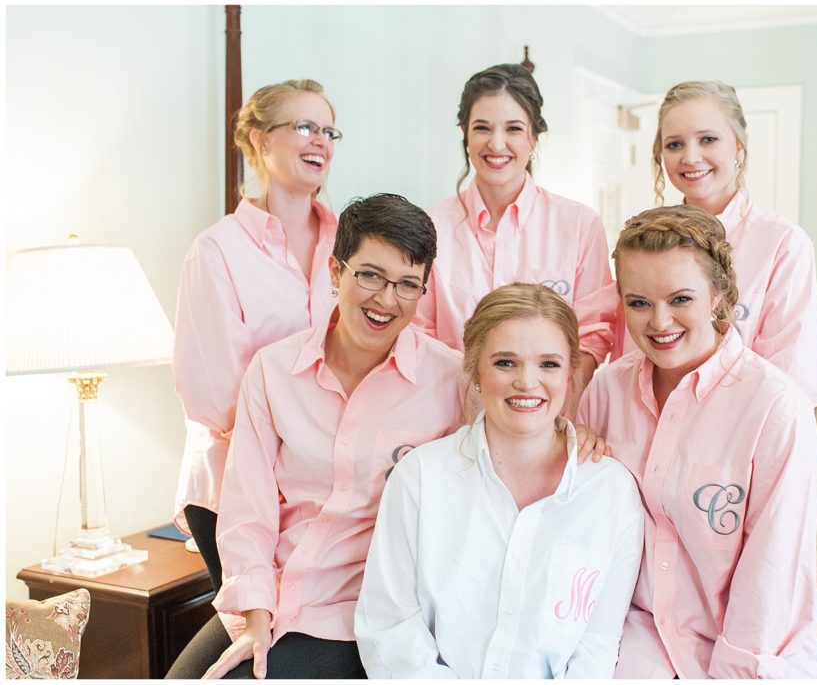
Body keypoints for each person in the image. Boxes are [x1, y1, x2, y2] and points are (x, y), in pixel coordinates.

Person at [195, 193, 465, 679]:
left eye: (408, 285)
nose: (387, 300)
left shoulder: (451, 383)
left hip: (362, 614)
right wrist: (255, 619)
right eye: (371, 275)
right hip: (273, 597)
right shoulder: (274, 370)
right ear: (335, 272)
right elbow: (247, 511)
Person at [579, 206, 817, 678]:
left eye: (680, 299)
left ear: (718, 294)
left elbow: (771, 577)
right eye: (639, 303)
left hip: (744, 651)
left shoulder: (775, 409)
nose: (659, 322)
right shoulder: (605, 392)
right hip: (635, 639)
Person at [355, 283, 644, 678]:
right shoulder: (420, 477)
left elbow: (597, 645)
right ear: (475, 371)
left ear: (570, 373)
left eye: (548, 364)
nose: (527, 382)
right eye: (506, 363)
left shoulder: (611, 492)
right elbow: (390, 627)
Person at [167, 79, 342, 679]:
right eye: (304, 127)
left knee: (293, 642)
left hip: (320, 482)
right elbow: (213, 392)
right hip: (235, 486)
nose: (320, 141)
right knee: (253, 647)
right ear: (259, 140)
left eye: (328, 130)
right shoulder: (217, 251)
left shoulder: (348, 245)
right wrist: (303, 448)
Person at [415, 63, 618, 414]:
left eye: (513, 129)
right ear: (464, 133)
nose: (496, 144)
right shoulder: (431, 226)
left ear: (534, 137)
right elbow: (419, 332)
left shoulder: (579, 225)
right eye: (482, 128)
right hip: (450, 418)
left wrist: (559, 412)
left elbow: (593, 334)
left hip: (546, 418)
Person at [612, 81, 817, 406]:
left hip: (740, 428)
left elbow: (793, 384)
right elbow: (627, 363)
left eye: (708, 139)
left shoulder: (782, 244)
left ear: (739, 144)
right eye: (674, 144)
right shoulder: (642, 246)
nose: (690, 157)